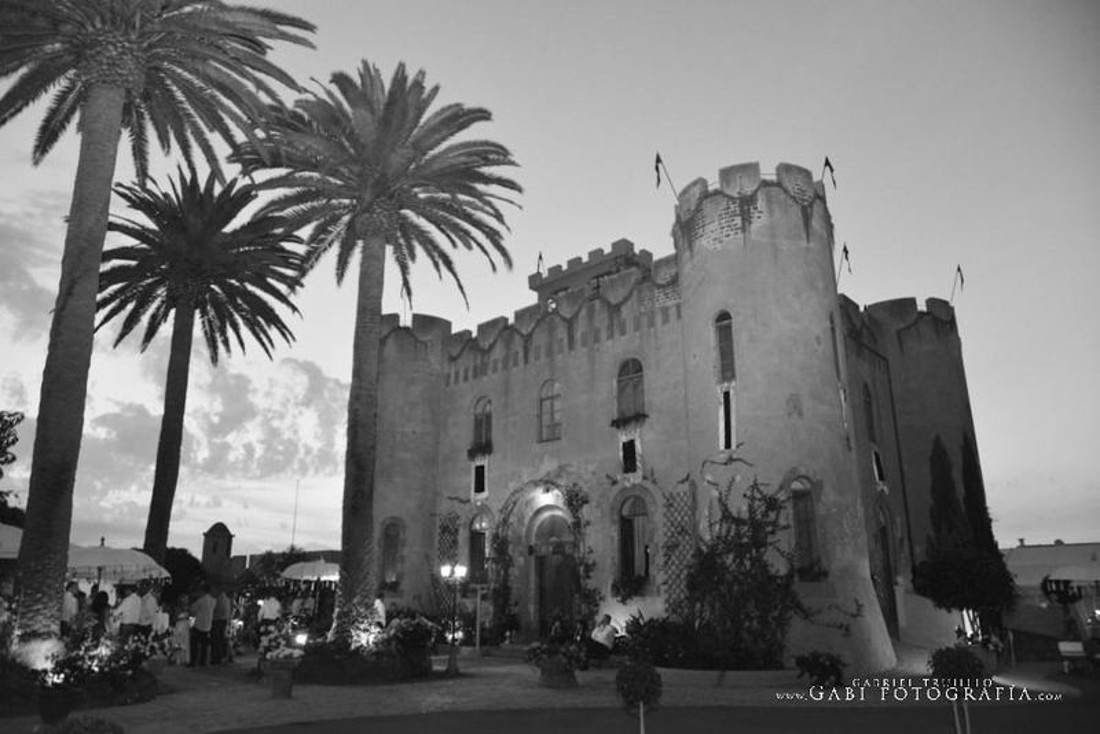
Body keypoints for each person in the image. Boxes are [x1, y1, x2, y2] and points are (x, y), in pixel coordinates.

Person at [189, 585, 216, 667]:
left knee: (194, 644)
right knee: (204, 645)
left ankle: (193, 661)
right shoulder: (213, 600)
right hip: (208, 625)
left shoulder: (201, 600)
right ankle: (203, 661)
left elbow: (193, 609)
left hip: (199, 624)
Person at [211, 588, 232, 664]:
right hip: (224, 621)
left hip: (217, 621)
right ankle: (224, 656)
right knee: (223, 639)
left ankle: (217, 657)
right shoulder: (227, 600)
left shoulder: (218, 600)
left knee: (217, 640)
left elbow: (214, 611)